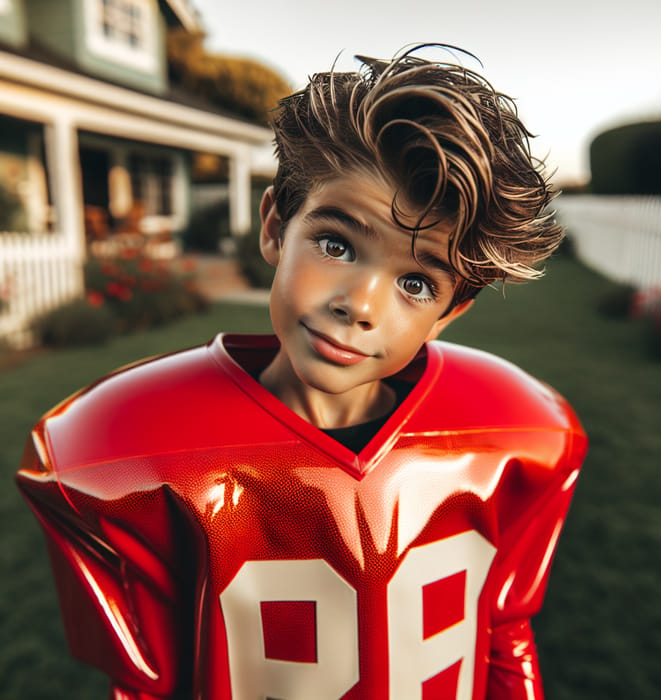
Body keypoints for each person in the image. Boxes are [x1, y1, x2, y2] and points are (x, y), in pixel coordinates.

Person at [17, 45, 587, 699]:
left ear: (452, 311)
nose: (359, 305)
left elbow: (504, 634)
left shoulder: (519, 433)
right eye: (336, 244)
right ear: (274, 227)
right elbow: (142, 689)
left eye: (415, 281)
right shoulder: (113, 453)